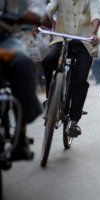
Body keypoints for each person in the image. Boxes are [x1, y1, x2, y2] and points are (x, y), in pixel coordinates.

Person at [42, 0, 100, 137]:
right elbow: (49, 10)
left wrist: (94, 32)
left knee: (80, 79)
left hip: (84, 41)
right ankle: (50, 100)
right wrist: (38, 21)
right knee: (48, 60)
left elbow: (96, 15)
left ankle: (74, 121)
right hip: (62, 39)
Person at [0, 0, 45, 160]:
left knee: (24, 62)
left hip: (5, 38)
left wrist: (29, 15)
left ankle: (21, 135)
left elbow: (38, 8)